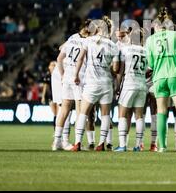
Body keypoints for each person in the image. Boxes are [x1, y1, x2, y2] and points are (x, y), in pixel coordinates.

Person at [145, 8, 176, 153]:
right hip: (175, 75)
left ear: (156, 25)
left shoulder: (150, 40)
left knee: (161, 111)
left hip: (159, 77)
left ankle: (162, 146)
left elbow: (151, 64)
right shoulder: (175, 35)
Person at [71, 16, 120, 151]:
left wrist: (76, 75)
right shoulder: (113, 46)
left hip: (91, 84)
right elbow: (116, 69)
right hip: (106, 84)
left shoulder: (88, 41)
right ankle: (101, 144)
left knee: (83, 113)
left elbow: (80, 59)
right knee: (105, 115)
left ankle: (77, 143)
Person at [53, 20, 92, 151]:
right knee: (80, 112)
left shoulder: (71, 38)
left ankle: (57, 141)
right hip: (78, 78)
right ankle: (77, 143)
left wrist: (63, 74)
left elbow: (59, 58)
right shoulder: (88, 41)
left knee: (64, 110)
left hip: (67, 78)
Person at [114, 28, 147, 152]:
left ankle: (122, 145)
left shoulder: (125, 50)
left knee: (122, 114)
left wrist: (117, 87)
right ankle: (138, 145)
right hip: (142, 86)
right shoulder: (146, 51)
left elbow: (120, 71)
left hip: (129, 84)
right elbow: (149, 69)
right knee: (139, 116)